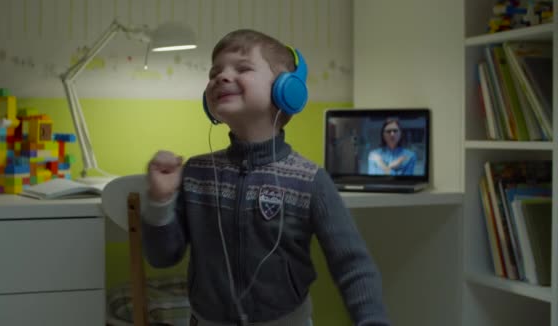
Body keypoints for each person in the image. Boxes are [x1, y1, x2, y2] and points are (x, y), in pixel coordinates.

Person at [142, 29, 390, 326]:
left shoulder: (310, 180)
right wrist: (160, 201)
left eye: (242, 68)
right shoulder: (197, 173)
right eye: (214, 72)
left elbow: (353, 265)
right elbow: (162, 257)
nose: (221, 76)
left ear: (285, 90)